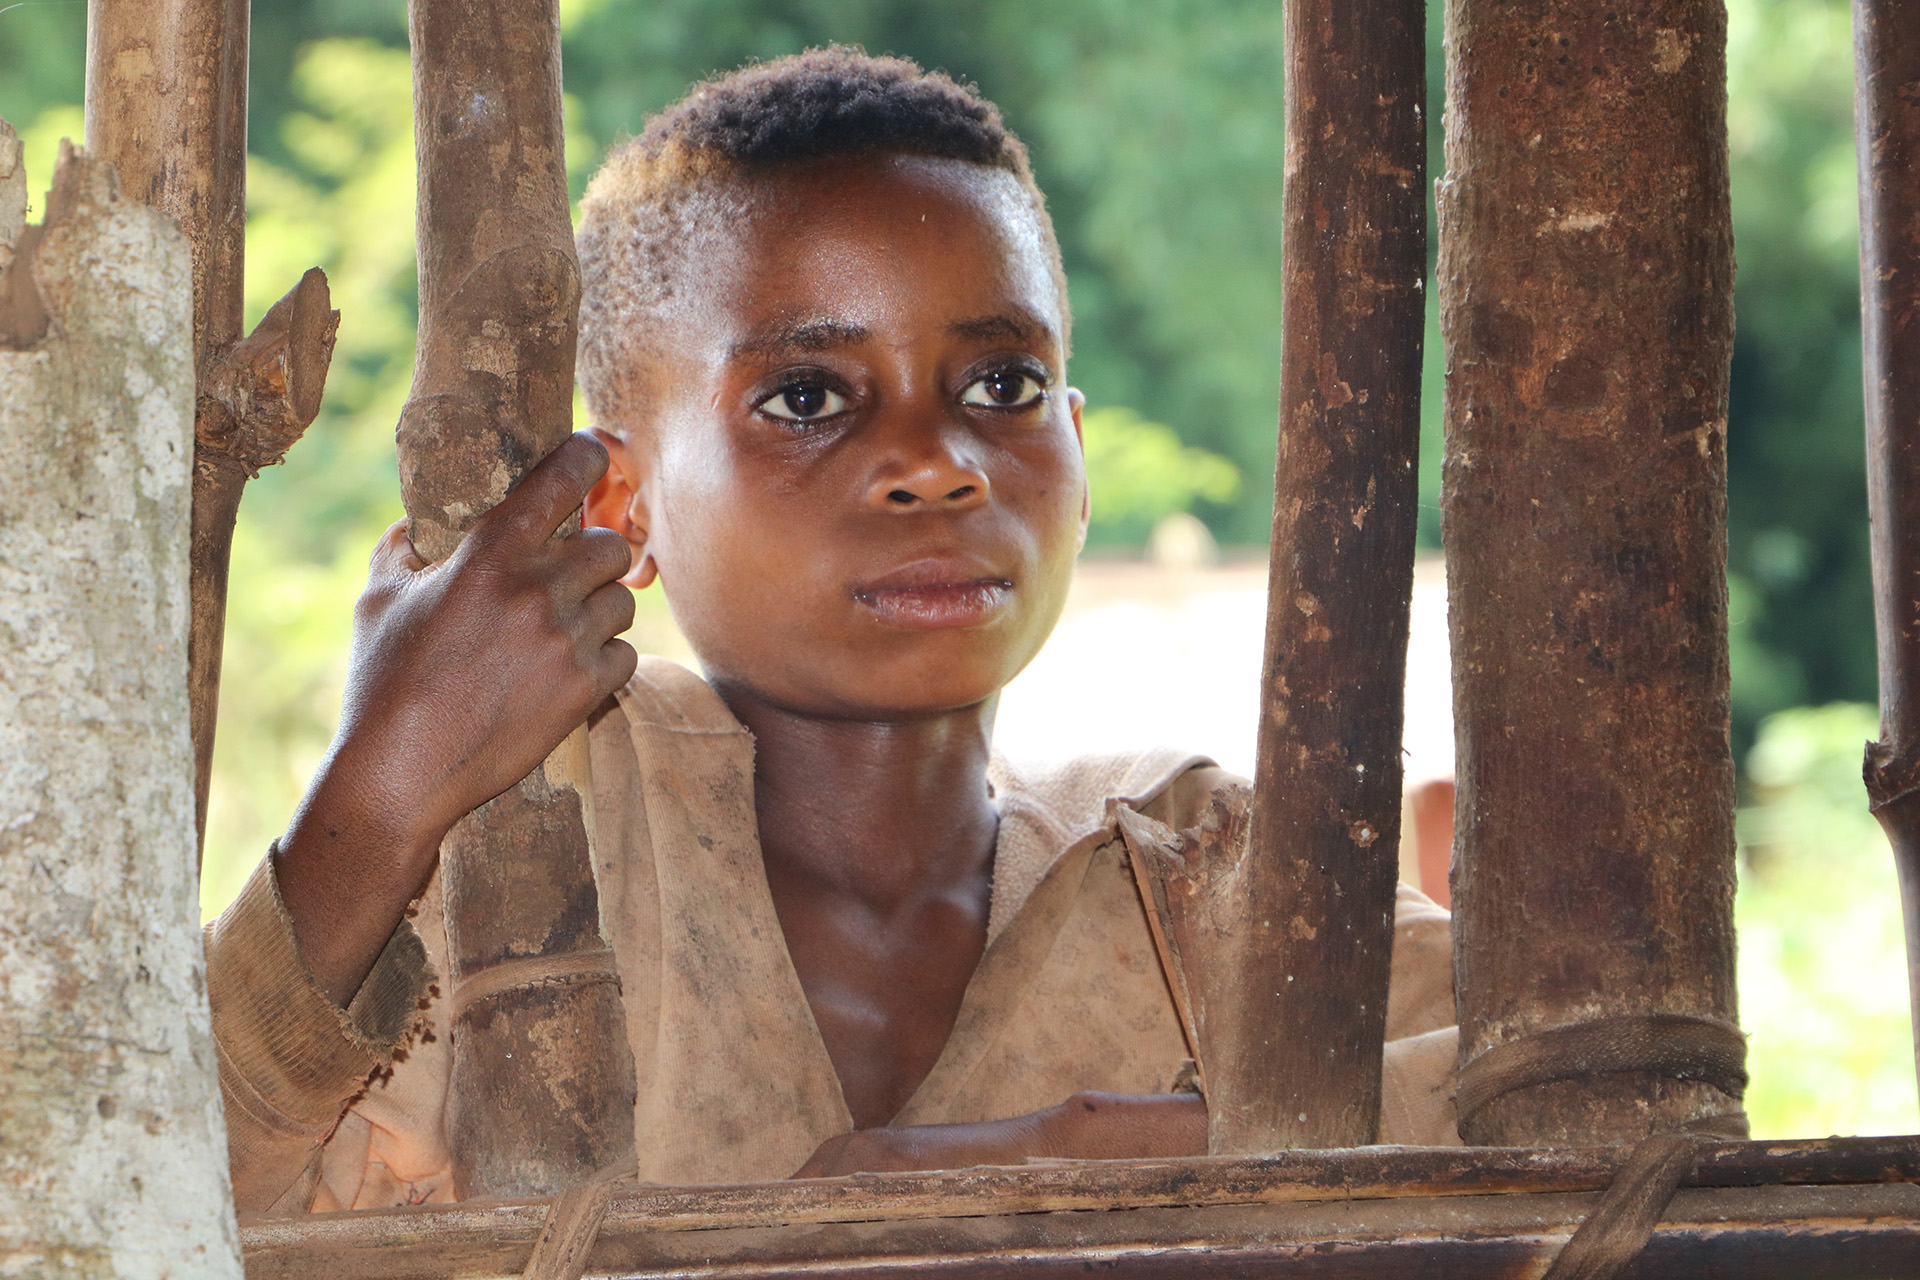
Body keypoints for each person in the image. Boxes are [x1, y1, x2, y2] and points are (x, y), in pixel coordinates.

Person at [204, 47, 1459, 1215]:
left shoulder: (1190, 867)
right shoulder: (509, 848)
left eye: (1001, 387)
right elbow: (119, 1175)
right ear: (620, 505)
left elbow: (1596, 1088)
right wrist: (380, 786)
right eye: (807, 398)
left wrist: (1061, 1153)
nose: (934, 464)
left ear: (1075, 439)